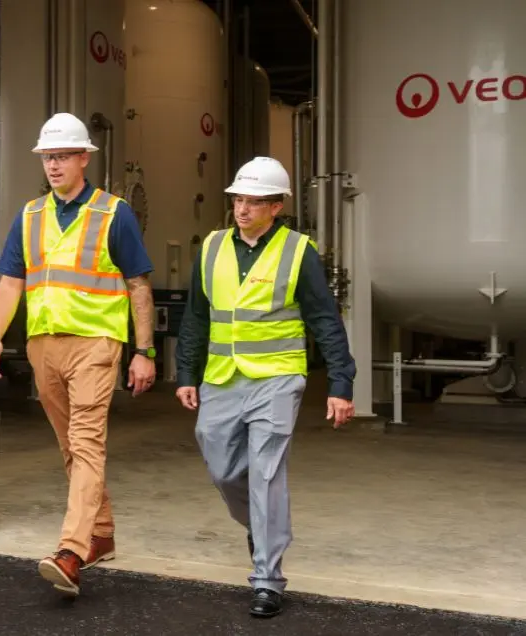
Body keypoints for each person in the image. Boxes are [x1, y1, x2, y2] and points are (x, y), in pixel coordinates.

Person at [0, 112, 157, 597]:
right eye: (47, 157)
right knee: (70, 447)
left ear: (84, 158)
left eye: (62, 156)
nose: (53, 165)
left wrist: (144, 350)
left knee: (85, 443)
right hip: (43, 345)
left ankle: (71, 551)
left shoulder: (112, 213)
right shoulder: (30, 215)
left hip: (97, 344)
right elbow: (11, 280)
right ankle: (101, 534)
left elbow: (138, 285)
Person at [174, 156, 356, 618]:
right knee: (221, 466)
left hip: (277, 378)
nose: (242, 209)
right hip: (221, 378)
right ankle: (261, 525)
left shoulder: (298, 252)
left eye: (254, 202)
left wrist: (340, 382)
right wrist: (186, 373)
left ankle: (267, 578)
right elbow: (195, 316)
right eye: (238, 199)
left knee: (268, 472)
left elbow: (324, 320)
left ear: (276, 207)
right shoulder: (212, 247)